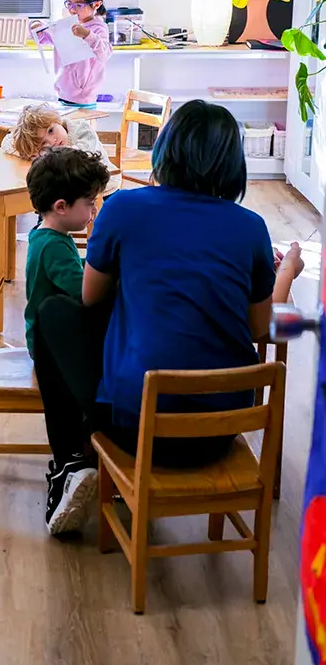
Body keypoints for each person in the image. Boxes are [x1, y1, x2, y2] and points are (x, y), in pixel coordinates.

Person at [33, 100, 305, 536]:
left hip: (135, 427)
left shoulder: (123, 208)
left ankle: (71, 461)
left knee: (54, 313)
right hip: (222, 428)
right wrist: (286, 273)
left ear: (165, 151)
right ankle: (79, 461)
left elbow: (89, 297)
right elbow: (260, 328)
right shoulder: (251, 227)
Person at [23, 148, 110, 358]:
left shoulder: (45, 236)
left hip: (48, 335)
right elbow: (84, 294)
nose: (94, 210)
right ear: (61, 206)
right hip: (50, 346)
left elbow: (71, 267)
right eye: (90, 203)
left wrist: (98, 263)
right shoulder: (53, 246)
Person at [1, 103, 119, 196]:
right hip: (70, 188)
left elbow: (82, 155)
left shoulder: (82, 129)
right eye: (43, 143)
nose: (52, 141)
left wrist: (46, 154)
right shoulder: (47, 149)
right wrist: (31, 152)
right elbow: (7, 142)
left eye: (51, 131)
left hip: (104, 186)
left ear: (57, 120)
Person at [32, 0, 113, 108]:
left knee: (81, 123)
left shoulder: (98, 28)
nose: (72, 10)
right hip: (63, 94)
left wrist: (87, 35)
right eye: (69, 3)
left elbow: (104, 52)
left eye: (79, 5)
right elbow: (48, 38)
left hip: (83, 98)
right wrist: (38, 30)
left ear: (97, 4)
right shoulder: (68, 24)